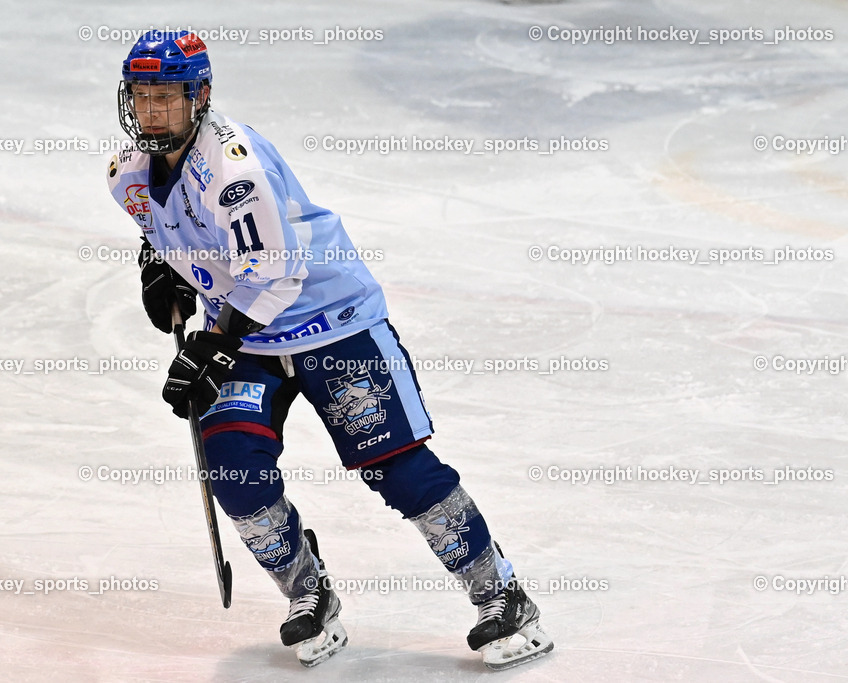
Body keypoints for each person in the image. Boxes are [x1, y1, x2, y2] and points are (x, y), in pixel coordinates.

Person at [106, 30, 553, 670]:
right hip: (249, 335)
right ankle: (307, 591)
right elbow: (176, 236)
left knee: (396, 468)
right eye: (142, 97)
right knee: (233, 466)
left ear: (200, 95)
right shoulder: (127, 176)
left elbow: (277, 271)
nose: (153, 112)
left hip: (332, 323)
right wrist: (162, 267)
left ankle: (503, 596)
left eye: (168, 97)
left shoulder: (235, 166)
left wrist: (212, 345)